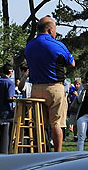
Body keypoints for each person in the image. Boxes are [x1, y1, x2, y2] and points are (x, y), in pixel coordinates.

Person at [24, 16, 75, 152]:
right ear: (50, 29)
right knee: (56, 124)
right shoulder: (57, 45)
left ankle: (40, 150)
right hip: (54, 88)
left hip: (35, 88)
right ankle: (57, 154)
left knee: (39, 124)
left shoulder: (29, 46)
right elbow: (72, 63)